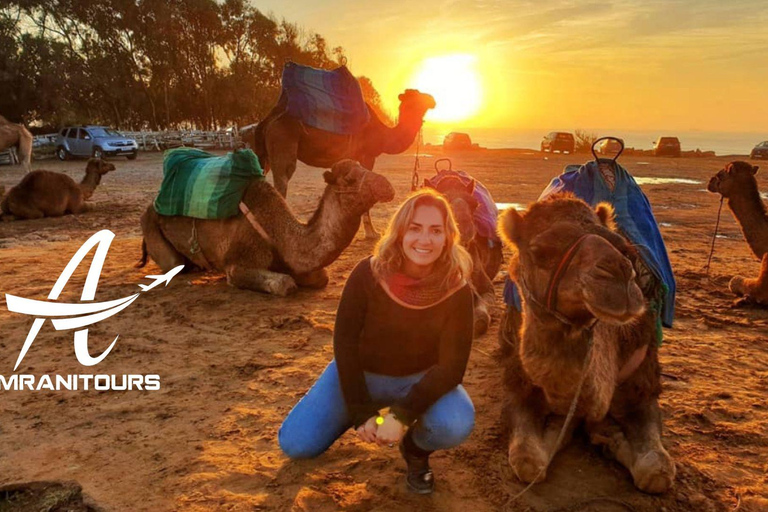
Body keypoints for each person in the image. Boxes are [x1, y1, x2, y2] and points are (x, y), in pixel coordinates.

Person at [278, 189, 476, 494]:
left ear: (448, 236)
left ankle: (415, 449)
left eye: (435, 230)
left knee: (456, 422)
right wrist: (360, 410)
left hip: (417, 380)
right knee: (296, 444)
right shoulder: (367, 273)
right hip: (363, 374)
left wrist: (401, 415)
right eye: (415, 228)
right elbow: (344, 343)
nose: (425, 240)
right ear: (400, 231)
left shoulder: (457, 290)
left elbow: (452, 367)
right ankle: (346, 415)